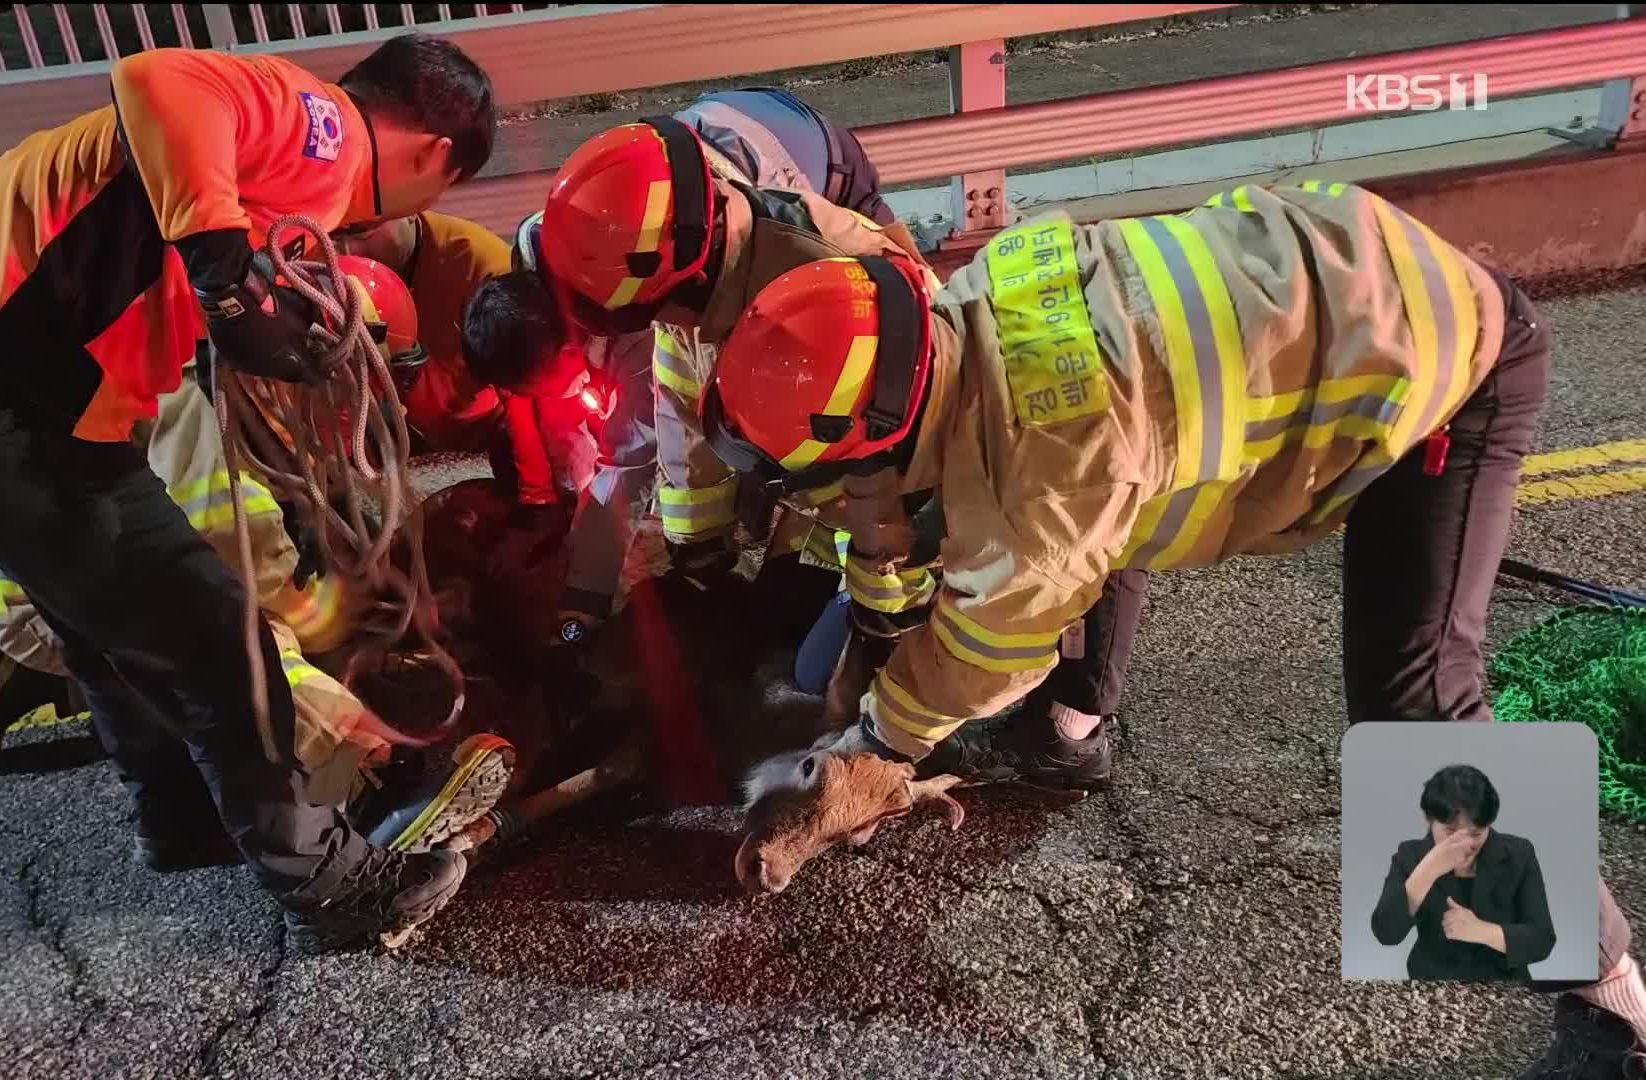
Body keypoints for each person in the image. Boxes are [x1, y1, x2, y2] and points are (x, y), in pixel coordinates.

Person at [704, 180, 1646, 1074]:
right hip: (1348, 275)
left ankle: (1616, 1001)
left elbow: (991, 644)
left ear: (876, 439)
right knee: (1121, 514)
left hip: (1448, 365)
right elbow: (1057, 506)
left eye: (822, 482)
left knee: (1417, 722)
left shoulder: (1044, 495)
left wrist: (876, 747)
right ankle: (1072, 731)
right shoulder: (980, 294)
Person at [0, 33, 497, 955]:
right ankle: (329, 884)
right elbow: (154, 74)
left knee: (110, 629)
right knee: (213, 634)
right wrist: (226, 276)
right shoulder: (323, 130)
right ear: (437, 154)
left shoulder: (278, 171)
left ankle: (179, 816)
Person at [474, 98, 935, 693]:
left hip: (813, 159)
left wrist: (871, 595)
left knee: (800, 606)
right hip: (723, 164)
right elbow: (678, 422)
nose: (580, 392)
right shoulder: (597, 259)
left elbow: (641, 451)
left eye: (570, 379)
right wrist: (687, 550)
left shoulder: (784, 285)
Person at [1371, 764, 1557, 981]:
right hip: (1432, 983)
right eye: (1450, 832)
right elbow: (1386, 933)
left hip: (1504, 983)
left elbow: (1542, 940)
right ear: (1428, 819)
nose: (1464, 844)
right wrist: (1429, 869)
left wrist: (1481, 931)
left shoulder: (1519, 853)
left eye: (1476, 833)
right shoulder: (1410, 855)